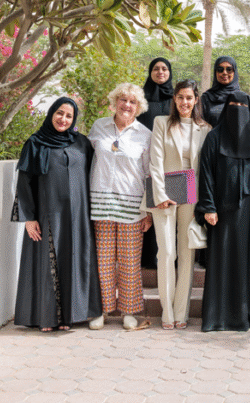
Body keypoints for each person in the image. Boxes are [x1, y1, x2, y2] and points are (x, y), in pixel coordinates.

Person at [13, 97, 102, 332]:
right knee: (47, 263)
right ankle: (47, 318)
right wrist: (28, 217)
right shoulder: (35, 143)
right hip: (47, 215)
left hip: (77, 217)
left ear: (74, 120)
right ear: (51, 113)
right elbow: (24, 182)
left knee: (73, 260)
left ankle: (70, 317)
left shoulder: (81, 143)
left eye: (69, 116)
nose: (63, 119)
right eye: (60, 113)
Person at [196, 91, 250, 332]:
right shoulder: (214, 138)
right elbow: (205, 172)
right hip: (223, 210)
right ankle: (220, 317)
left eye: (242, 105)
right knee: (223, 261)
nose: (237, 109)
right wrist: (208, 206)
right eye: (233, 105)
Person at [87, 84, 153, 331]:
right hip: (101, 204)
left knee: (129, 262)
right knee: (102, 262)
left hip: (132, 207)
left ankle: (129, 310)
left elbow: (149, 173)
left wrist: (149, 212)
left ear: (139, 107)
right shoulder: (98, 127)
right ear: (114, 102)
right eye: (123, 100)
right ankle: (102, 310)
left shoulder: (144, 134)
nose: (127, 105)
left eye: (132, 102)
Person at [147, 80, 211, 330]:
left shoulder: (205, 128)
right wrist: (161, 193)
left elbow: (204, 167)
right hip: (164, 188)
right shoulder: (161, 123)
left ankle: (181, 312)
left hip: (191, 188)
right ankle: (167, 311)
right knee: (166, 252)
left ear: (196, 100)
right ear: (174, 99)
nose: (185, 102)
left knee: (187, 254)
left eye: (190, 98)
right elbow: (155, 160)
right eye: (181, 97)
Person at [136, 57, 174, 269]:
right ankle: (148, 260)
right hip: (145, 160)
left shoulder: (176, 99)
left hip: (170, 163)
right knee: (148, 206)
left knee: (168, 207)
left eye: (164, 68)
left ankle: (170, 260)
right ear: (150, 72)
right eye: (156, 69)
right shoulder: (141, 99)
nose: (160, 72)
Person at [201, 56, 242, 127]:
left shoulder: (241, 98)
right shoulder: (206, 98)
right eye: (220, 69)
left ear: (234, 72)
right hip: (211, 137)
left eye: (229, 69)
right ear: (215, 72)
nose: (225, 73)